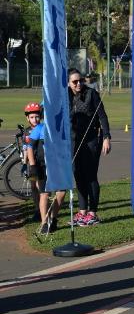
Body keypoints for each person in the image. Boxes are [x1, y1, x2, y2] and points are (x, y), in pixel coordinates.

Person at [68, 68, 111, 227]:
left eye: (81, 81)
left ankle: (93, 213)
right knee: (78, 175)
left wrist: (106, 137)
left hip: (91, 140)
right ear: (68, 82)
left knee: (90, 175)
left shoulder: (91, 94)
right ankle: (82, 211)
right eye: (74, 82)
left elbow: (102, 116)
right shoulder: (66, 94)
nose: (78, 84)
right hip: (74, 141)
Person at [22, 102, 65, 234]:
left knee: (61, 191)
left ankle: (54, 218)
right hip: (41, 165)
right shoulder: (38, 129)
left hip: (56, 164)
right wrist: (32, 165)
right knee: (44, 193)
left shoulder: (56, 127)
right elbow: (29, 148)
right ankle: (44, 222)